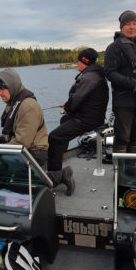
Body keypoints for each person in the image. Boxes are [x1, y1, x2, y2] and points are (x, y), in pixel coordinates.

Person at [47, 48, 109, 195]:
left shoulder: (89, 77)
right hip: (92, 115)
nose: (76, 64)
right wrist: (69, 106)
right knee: (64, 120)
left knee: (54, 137)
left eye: (78, 61)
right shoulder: (95, 74)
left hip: (88, 119)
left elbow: (76, 101)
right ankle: (60, 158)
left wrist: (68, 106)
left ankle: (56, 176)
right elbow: (81, 98)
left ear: (84, 62)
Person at [104, 10, 136, 155]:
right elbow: (109, 73)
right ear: (122, 27)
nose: (132, 27)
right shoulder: (113, 48)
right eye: (128, 24)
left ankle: (132, 169)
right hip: (123, 102)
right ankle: (120, 173)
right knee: (122, 137)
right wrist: (133, 84)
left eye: (135, 23)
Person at [0, 68, 48, 167]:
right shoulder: (12, 103)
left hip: (36, 153)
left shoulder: (28, 106)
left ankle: (58, 176)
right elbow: (11, 134)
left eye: (1, 89)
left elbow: (22, 143)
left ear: (11, 86)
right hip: (24, 149)